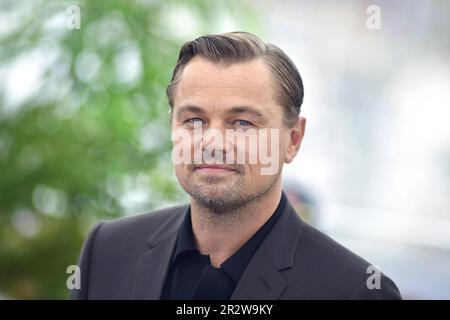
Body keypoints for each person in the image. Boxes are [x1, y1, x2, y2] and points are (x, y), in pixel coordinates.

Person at [71, 32, 401, 300]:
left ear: (293, 140)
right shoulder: (108, 251)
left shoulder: (355, 292)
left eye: (242, 123)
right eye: (194, 120)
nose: (213, 142)